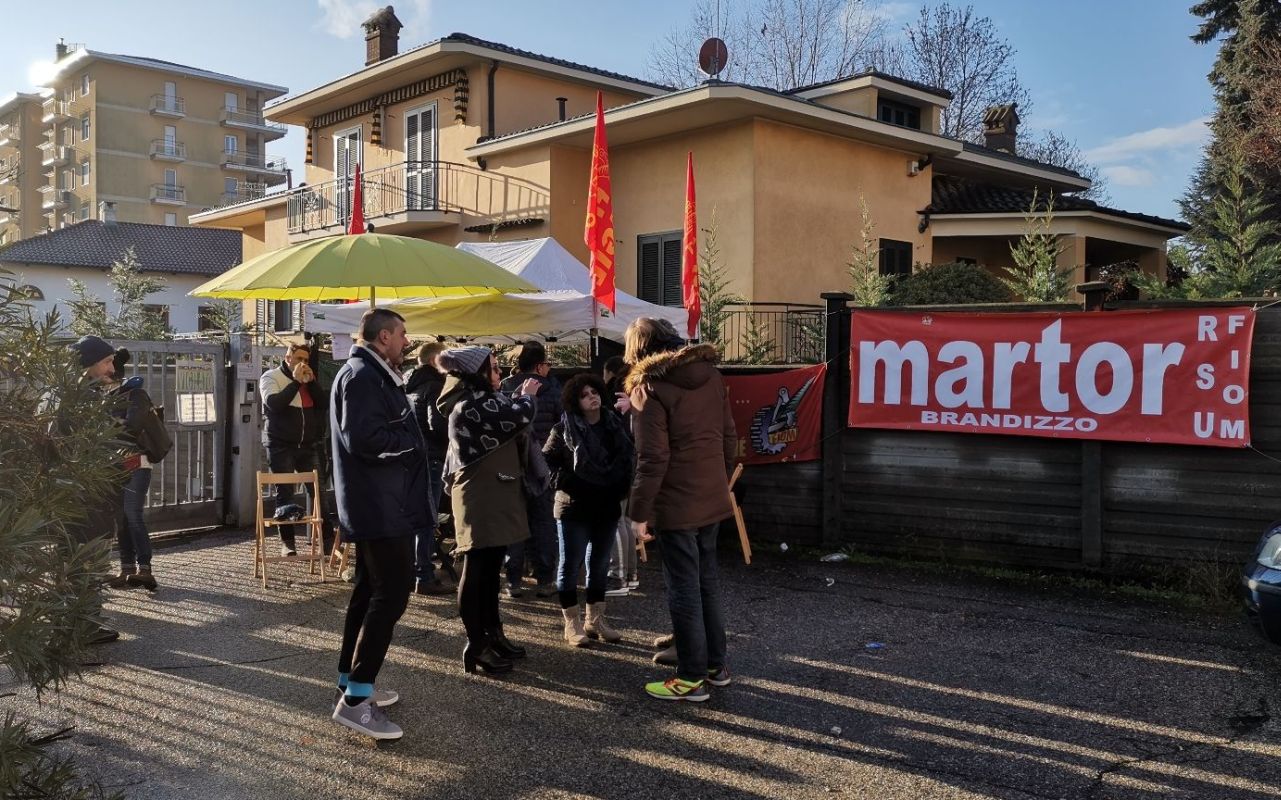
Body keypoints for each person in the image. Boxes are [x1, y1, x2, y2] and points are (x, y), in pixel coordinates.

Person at [329, 309, 430, 740]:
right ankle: (355, 701)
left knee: (369, 590)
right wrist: (411, 443)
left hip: (381, 503)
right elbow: (366, 440)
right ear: (385, 335)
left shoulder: (368, 372)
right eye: (403, 335)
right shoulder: (363, 376)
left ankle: (351, 680)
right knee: (391, 594)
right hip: (381, 506)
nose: (407, 342)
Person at [624, 317, 736, 703]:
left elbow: (651, 458)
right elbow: (728, 438)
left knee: (683, 588)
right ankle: (714, 667)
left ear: (639, 348)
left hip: (676, 503)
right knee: (707, 584)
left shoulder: (648, 388)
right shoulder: (711, 375)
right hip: (710, 496)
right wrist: (717, 482)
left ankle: (689, 677)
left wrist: (639, 513)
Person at [437, 346, 541, 675]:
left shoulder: (477, 401)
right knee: (477, 568)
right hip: (479, 495)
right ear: (479, 373)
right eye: (495, 369)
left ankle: (493, 635)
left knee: (490, 568)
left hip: (492, 491)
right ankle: (476, 645)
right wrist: (527, 394)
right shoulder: (471, 404)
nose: (499, 375)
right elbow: (519, 414)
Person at [543, 372, 634, 647]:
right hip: (574, 505)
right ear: (575, 400)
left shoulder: (614, 425)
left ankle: (595, 620)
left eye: (594, 392)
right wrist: (571, 481)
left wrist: (618, 487)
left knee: (600, 565)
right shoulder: (563, 429)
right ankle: (571, 622)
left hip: (606, 504)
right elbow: (547, 462)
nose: (591, 397)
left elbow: (627, 458)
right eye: (584, 395)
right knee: (570, 565)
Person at [497, 340, 560, 598]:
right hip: (544, 463)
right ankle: (544, 578)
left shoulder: (505, 387)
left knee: (514, 523)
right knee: (543, 522)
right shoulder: (553, 389)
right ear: (539, 364)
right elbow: (561, 423)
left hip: (513, 463)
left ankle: (513, 580)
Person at [259, 342, 330, 557]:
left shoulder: (309, 379)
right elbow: (274, 404)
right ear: (288, 358)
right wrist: (296, 382)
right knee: (285, 494)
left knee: (318, 493)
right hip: (282, 445)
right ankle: (287, 543)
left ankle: (326, 540)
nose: (303, 364)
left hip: (308, 445)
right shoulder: (271, 377)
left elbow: (323, 403)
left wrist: (311, 383)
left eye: (306, 360)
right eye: (299, 359)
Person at [104, 347, 159, 592]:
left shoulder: (135, 393)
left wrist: (106, 426)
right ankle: (126, 569)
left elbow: (132, 427)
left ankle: (145, 570)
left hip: (137, 464)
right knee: (121, 519)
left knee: (133, 514)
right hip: (112, 466)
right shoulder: (101, 397)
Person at [404, 341, 453, 595]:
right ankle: (423, 573)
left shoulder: (407, 382)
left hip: (413, 456)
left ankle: (415, 569)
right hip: (432, 456)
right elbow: (437, 425)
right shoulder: (434, 385)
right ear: (435, 360)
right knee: (427, 517)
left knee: (417, 515)